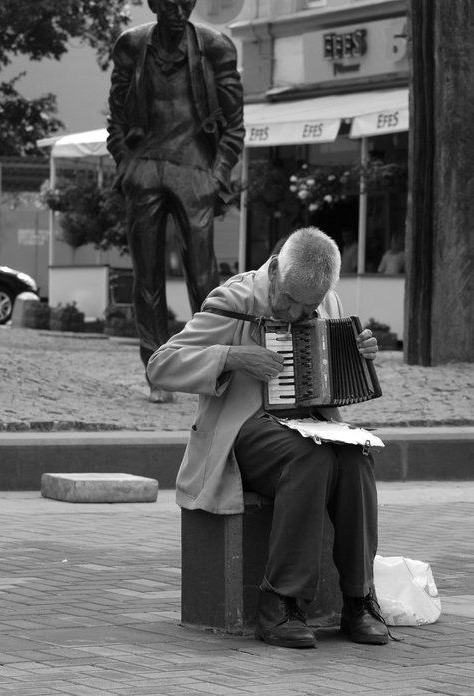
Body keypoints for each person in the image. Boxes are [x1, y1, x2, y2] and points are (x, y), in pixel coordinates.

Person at [147, 227, 388, 649]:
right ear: (275, 268)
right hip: (243, 430)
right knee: (310, 459)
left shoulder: (325, 301)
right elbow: (161, 365)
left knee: (355, 458)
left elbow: (332, 381)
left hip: (309, 425)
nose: (295, 312)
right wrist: (231, 356)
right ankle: (280, 603)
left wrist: (361, 357)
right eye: (289, 300)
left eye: (306, 305)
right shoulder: (234, 301)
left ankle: (359, 600)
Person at [107, 0, 245, 402]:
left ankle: (210, 368)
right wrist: (125, 163)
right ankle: (157, 372)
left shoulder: (216, 47)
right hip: (145, 166)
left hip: (194, 170)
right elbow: (116, 114)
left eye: (187, 3)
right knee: (146, 277)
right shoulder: (131, 45)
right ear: (152, 5)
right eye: (170, 4)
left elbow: (235, 126)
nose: (179, 11)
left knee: (203, 279)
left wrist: (216, 175)